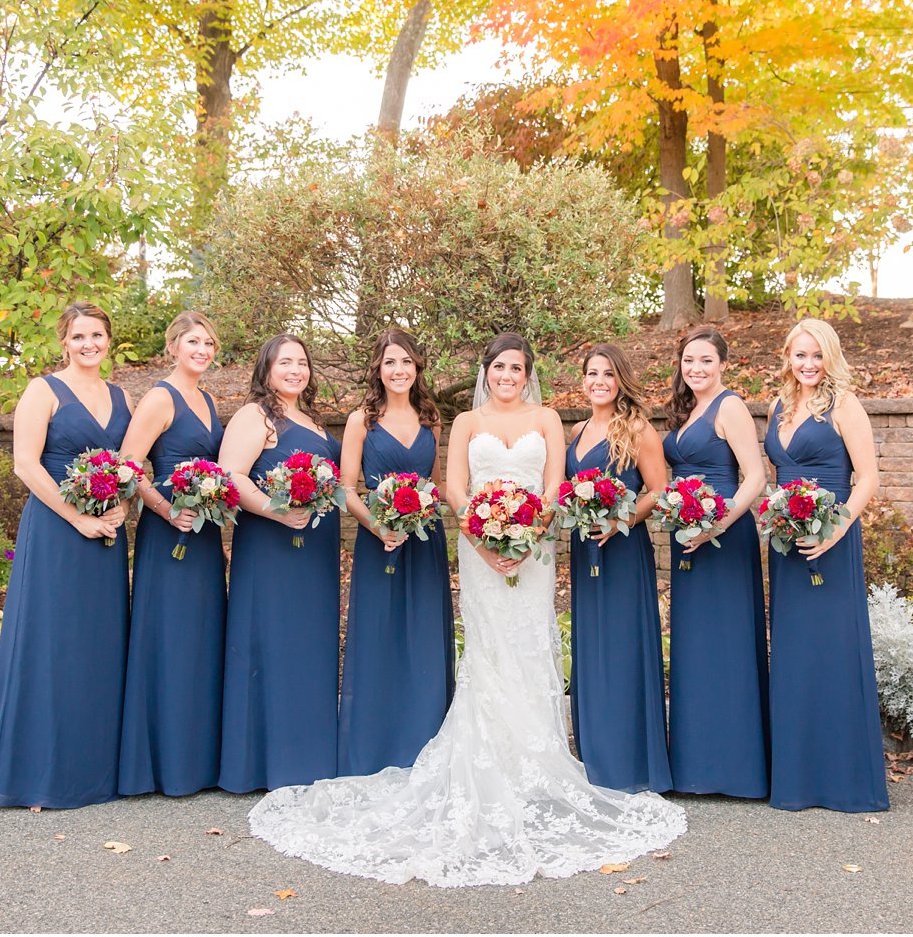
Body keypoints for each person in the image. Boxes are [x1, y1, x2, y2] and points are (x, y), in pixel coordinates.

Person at [247, 333, 685, 887]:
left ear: (529, 374)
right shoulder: (463, 423)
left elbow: (554, 487)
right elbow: (454, 489)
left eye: (516, 368)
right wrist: (481, 539)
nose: (507, 375)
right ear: (487, 372)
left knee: (528, 642)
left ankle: (537, 755)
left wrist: (528, 536)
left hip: (535, 547)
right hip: (478, 547)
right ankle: (486, 756)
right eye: (499, 367)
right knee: (488, 647)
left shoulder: (551, 418)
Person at [0, 302, 132, 809]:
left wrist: (123, 508)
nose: (90, 344)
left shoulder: (120, 394)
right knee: (53, 644)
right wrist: (78, 517)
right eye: (80, 336)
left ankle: (92, 773)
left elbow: (129, 465)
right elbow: (25, 464)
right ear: (64, 341)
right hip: (57, 531)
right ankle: (37, 776)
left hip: (106, 536)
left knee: (99, 645)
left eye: (98, 335)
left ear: (109, 340)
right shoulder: (42, 390)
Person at [763, 319, 889, 813]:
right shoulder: (778, 406)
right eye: (800, 355)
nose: (808, 364)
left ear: (830, 356)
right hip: (788, 540)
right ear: (788, 358)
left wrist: (836, 527)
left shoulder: (845, 405)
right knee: (794, 652)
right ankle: (796, 780)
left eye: (817, 355)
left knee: (833, 648)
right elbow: (778, 475)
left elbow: (868, 478)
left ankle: (845, 780)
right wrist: (777, 513)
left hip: (833, 538)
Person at [217, 333, 342, 793]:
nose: (295, 370)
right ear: (266, 369)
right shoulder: (256, 415)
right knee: (269, 643)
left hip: (315, 552)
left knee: (309, 644)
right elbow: (230, 475)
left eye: (302, 362)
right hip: (271, 549)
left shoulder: (311, 419)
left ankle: (307, 756)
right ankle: (261, 763)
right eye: (284, 362)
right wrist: (277, 509)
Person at [118, 312, 227, 797]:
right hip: (170, 535)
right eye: (192, 342)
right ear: (173, 347)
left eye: (208, 343)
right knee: (169, 638)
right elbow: (127, 466)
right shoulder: (160, 398)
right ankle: (161, 764)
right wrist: (165, 510)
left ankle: (197, 758)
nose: (201, 350)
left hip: (204, 534)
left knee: (201, 638)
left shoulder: (207, 399)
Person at [337, 329, 454, 776]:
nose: (399, 370)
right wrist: (377, 524)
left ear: (417, 367)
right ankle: (375, 745)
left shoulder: (431, 418)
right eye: (390, 362)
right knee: (380, 633)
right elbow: (347, 488)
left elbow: (439, 484)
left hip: (425, 542)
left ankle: (424, 743)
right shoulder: (360, 420)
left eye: (406, 362)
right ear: (378, 369)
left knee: (424, 634)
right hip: (379, 540)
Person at [661, 326, 770, 798]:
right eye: (689, 360)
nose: (696, 369)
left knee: (727, 641)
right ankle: (694, 766)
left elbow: (756, 477)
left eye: (705, 360)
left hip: (724, 535)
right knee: (695, 643)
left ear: (722, 363)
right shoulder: (687, 410)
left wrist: (717, 523)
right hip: (687, 532)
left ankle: (736, 769)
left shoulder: (730, 406)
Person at [565, 344, 672, 793]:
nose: (599, 382)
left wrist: (619, 520)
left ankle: (630, 761)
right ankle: (595, 757)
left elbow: (659, 488)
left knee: (623, 646)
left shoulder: (637, 428)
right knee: (592, 646)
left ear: (620, 379)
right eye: (592, 373)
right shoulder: (578, 428)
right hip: (583, 547)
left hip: (623, 549)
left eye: (608, 374)